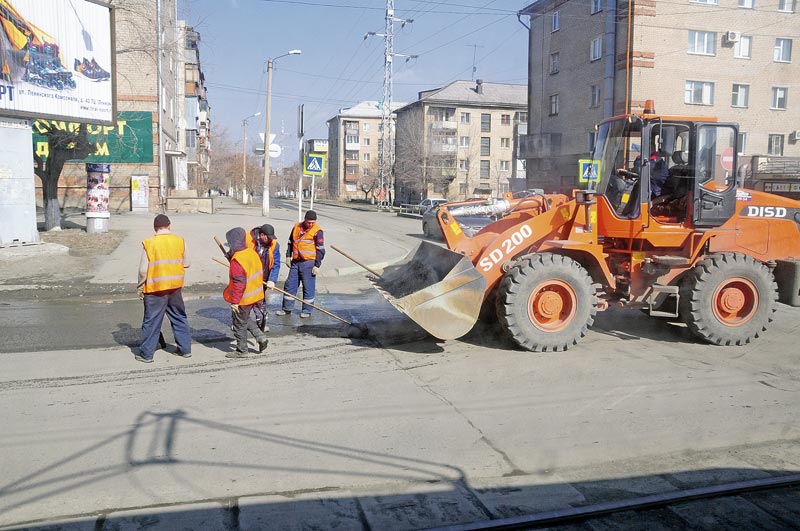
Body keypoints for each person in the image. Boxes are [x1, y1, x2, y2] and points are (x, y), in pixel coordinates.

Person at [136, 214, 191, 363]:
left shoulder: (149, 243)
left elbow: (143, 270)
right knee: (179, 317)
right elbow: (187, 263)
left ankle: (146, 355)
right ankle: (185, 349)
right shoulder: (180, 241)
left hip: (155, 289)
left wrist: (140, 286)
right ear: (169, 226)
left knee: (152, 321)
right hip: (175, 287)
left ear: (155, 228)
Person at [223, 227, 269, 358]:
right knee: (244, 319)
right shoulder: (251, 253)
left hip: (243, 297)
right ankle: (261, 337)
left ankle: (241, 350)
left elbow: (239, 283)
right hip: (255, 294)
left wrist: (235, 302)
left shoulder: (237, 260)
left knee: (238, 323)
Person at [276, 210, 325, 318]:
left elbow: (320, 249)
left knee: (308, 287)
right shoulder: (297, 227)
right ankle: (287, 308)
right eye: (309, 222)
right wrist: (288, 256)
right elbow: (290, 242)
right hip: (296, 262)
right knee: (290, 285)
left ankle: (306, 310)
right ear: (305, 220)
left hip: (309, 263)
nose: (311, 224)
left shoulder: (317, 231)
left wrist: (317, 265)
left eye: (313, 222)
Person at [251, 224, 281, 331]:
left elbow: (276, 264)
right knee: (244, 302)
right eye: (268, 237)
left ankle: (261, 324)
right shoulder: (249, 241)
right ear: (262, 235)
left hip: (263, 278)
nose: (270, 240)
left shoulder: (274, 245)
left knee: (260, 302)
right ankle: (239, 324)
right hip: (248, 278)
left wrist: (272, 280)